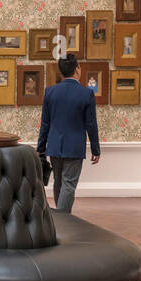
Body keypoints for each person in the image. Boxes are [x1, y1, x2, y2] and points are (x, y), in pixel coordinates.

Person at [36, 53, 100, 213]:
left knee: (58, 182)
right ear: (77, 69)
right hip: (74, 147)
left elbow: (45, 123)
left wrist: (40, 148)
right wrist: (95, 149)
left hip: (54, 145)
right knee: (69, 184)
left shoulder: (50, 92)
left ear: (61, 71)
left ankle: (60, 218)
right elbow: (91, 124)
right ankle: (63, 220)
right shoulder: (86, 94)